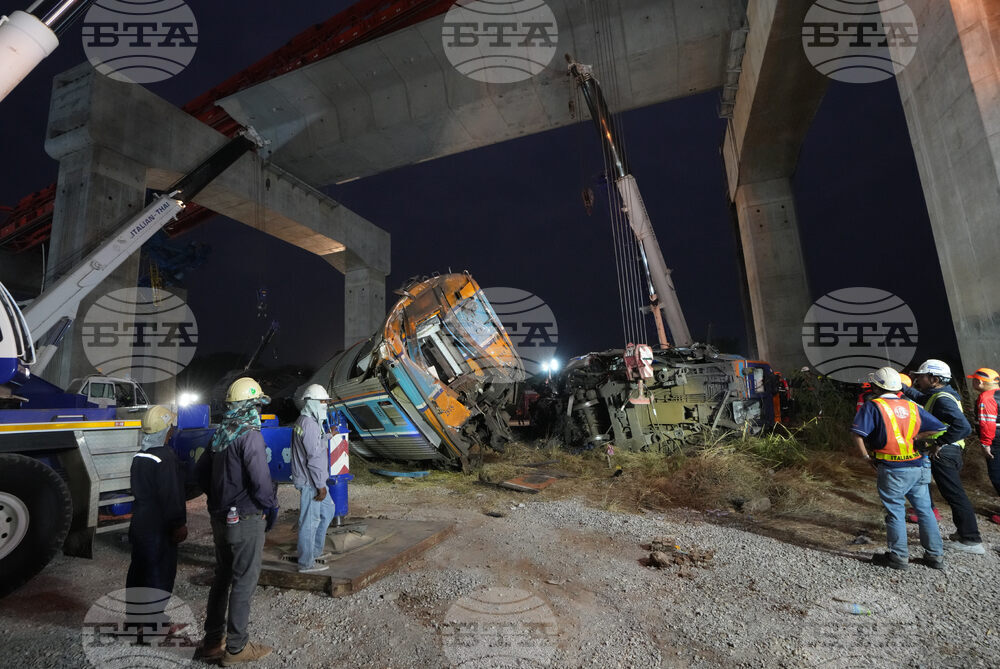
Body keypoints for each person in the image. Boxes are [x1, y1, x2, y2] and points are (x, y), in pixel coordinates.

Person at [195, 377, 278, 666]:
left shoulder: (220, 434)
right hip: (245, 518)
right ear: (250, 406)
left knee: (222, 577)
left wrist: (219, 498)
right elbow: (260, 480)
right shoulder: (250, 435)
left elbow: (199, 474)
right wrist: (270, 505)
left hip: (219, 517)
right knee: (244, 581)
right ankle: (236, 649)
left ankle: (212, 642)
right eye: (256, 405)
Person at [850, 367, 947, 570]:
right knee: (925, 511)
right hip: (918, 465)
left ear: (877, 386)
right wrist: (918, 437)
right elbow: (940, 427)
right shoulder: (912, 406)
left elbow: (858, 434)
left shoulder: (873, 406)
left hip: (892, 467)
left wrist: (866, 457)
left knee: (895, 512)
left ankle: (899, 557)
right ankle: (935, 556)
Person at [903, 359, 982, 554]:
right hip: (950, 452)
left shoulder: (942, 399)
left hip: (945, 453)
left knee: (955, 494)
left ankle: (971, 539)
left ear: (934, 378)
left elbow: (963, 427)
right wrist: (902, 388)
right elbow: (922, 398)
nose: (918, 379)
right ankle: (965, 534)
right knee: (952, 494)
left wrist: (939, 442)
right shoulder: (938, 394)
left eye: (921, 376)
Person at [126, 405, 187, 637]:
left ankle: (135, 622)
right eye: (170, 426)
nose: (172, 430)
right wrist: (178, 523)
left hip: (140, 523)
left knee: (138, 572)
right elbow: (171, 495)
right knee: (158, 575)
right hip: (158, 527)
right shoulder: (165, 458)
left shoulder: (140, 455)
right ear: (165, 430)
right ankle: (152, 628)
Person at [290, 384, 336, 573]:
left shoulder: (305, 421)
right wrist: (320, 485)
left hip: (312, 480)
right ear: (313, 402)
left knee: (328, 511)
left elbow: (314, 445)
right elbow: (314, 457)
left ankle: (315, 551)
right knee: (310, 521)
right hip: (311, 482)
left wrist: (327, 435)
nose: (325, 404)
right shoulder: (309, 424)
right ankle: (306, 563)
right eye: (323, 401)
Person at [969, 367, 1000, 524]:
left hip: (996, 441)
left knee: (996, 476)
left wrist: (986, 443)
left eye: (974, 380)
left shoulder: (986, 398)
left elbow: (988, 423)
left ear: (980, 382)